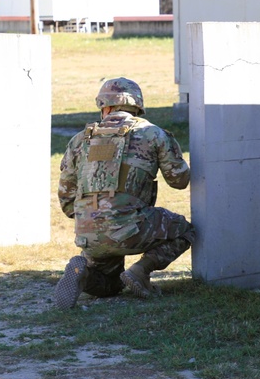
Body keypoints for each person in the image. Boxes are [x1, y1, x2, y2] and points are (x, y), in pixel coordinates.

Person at [53, 78, 194, 309]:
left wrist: (95, 219)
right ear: (137, 106)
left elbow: (66, 199)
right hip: (132, 229)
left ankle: (84, 272)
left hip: (89, 234)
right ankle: (141, 270)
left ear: (105, 107)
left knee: (109, 286)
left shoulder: (79, 140)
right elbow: (179, 181)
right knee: (186, 231)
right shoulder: (154, 134)